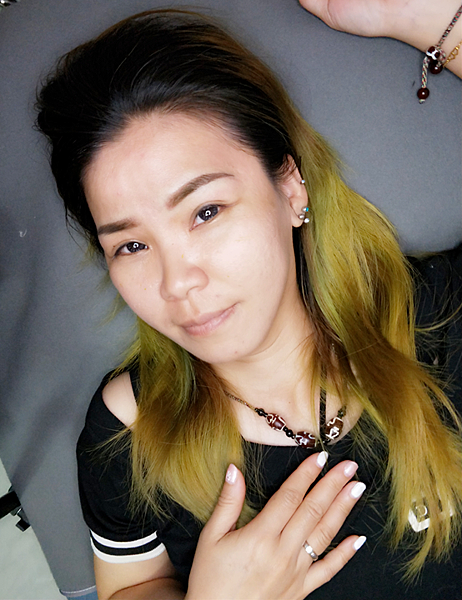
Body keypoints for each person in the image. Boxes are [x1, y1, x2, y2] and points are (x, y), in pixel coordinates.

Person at [36, 1, 462, 598]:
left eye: (205, 211)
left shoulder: (440, 316)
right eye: (131, 245)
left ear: (289, 188)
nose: (177, 283)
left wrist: (429, 19)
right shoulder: (130, 430)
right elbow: (130, 585)